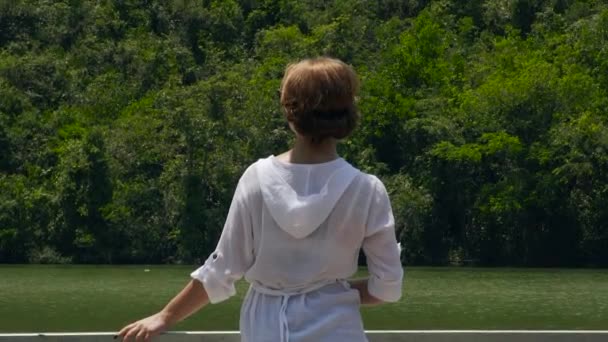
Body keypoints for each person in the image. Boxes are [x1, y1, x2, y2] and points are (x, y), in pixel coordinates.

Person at [117, 57, 404, 342]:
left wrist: (164, 317)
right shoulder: (366, 189)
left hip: (266, 329)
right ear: (348, 113)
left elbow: (221, 270)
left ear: (291, 114)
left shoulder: (258, 178)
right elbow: (388, 287)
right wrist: (331, 291)